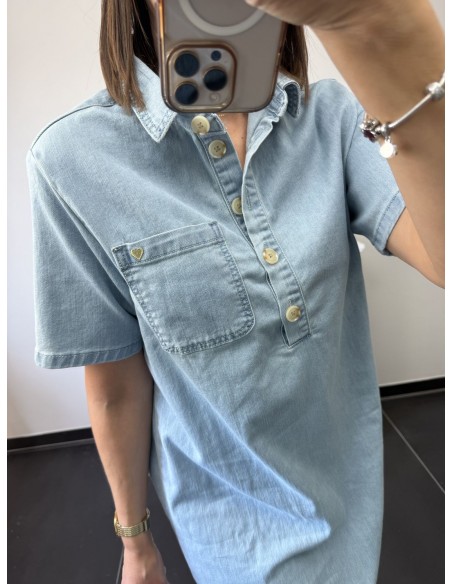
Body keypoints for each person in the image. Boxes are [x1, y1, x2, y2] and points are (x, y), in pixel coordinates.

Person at [26, 0, 444, 582]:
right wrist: (135, 541)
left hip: (353, 497)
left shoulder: (331, 117)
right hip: (229, 532)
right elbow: (115, 386)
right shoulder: (73, 162)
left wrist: (383, 26)